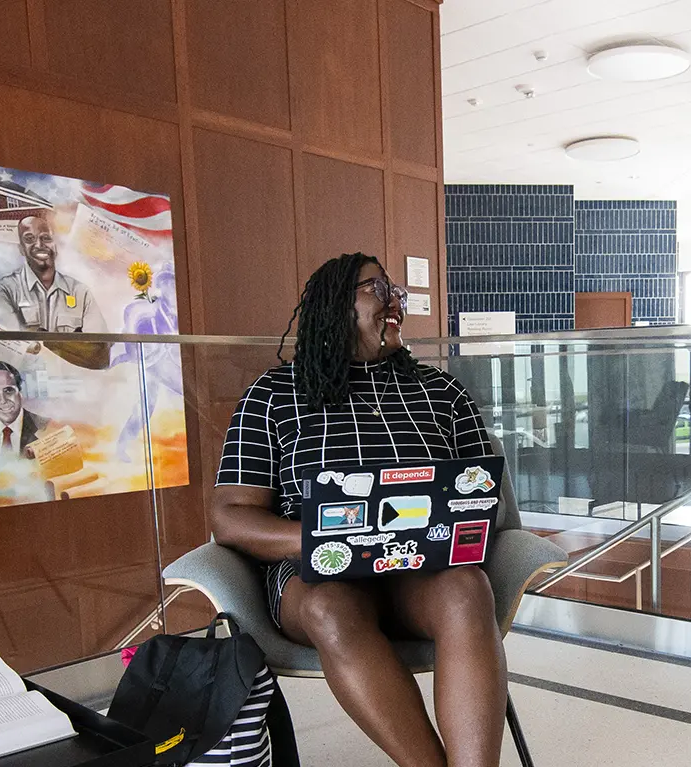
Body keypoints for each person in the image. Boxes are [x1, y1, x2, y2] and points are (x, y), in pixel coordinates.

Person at [213, 253, 504, 767]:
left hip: (420, 565)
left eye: (398, 293)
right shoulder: (274, 395)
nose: (395, 302)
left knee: (466, 588)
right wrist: (324, 541)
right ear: (334, 305)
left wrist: (460, 514)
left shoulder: (442, 392)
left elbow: (482, 492)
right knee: (330, 607)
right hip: (317, 572)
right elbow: (230, 514)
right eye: (377, 289)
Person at [0, 214, 106, 333]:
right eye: (29, 239)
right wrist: (71, 346)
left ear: (56, 245)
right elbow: (9, 345)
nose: (39, 245)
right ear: (21, 249)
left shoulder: (80, 292)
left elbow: (98, 346)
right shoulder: (5, 289)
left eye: (46, 238)